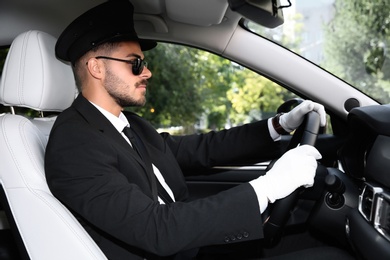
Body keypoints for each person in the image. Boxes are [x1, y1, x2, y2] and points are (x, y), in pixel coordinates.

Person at [44, 1, 348, 260]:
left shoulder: (127, 123)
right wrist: (268, 188)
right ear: (97, 68)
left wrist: (279, 125)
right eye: (135, 64)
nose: (147, 72)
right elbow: (155, 230)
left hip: (192, 244)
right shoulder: (74, 144)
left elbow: (202, 149)